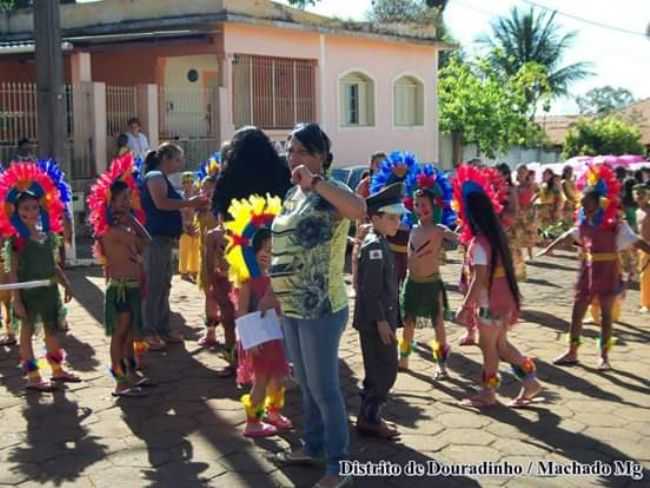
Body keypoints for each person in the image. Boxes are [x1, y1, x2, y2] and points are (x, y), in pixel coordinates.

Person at [267, 123, 365, 488]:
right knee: (306, 384)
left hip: (322, 306)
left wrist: (316, 181)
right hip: (292, 304)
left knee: (325, 388)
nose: (294, 157)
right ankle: (313, 445)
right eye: (291, 150)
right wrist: (272, 291)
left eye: (302, 151)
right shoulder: (293, 194)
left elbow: (358, 210)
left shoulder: (331, 188)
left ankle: (340, 467)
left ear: (321, 155)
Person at [540, 165, 650, 370]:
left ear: (599, 202)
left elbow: (637, 242)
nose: (582, 205)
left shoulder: (615, 224)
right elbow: (569, 234)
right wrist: (550, 248)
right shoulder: (584, 223)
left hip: (608, 271)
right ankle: (572, 352)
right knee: (577, 311)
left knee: (606, 316)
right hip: (588, 270)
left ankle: (604, 356)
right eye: (581, 202)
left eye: (586, 202)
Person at [453, 164, 542, 408]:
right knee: (500, 345)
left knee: (488, 347)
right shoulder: (497, 235)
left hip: (489, 303)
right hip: (503, 300)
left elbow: (479, 279)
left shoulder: (479, 244)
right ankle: (530, 380)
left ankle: (488, 393)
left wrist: (465, 306)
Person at [209, 128, 291, 375]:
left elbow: (220, 210)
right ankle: (276, 358)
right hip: (274, 240)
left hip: (241, 244)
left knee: (241, 300)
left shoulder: (231, 171)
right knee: (274, 296)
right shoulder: (279, 169)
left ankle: (242, 358)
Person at [0, 163, 78, 391]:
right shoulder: (15, 241)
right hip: (28, 294)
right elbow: (12, 272)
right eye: (25, 209)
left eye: (34, 208)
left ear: (41, 209)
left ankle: (57, 370)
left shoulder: (48, 236)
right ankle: (33, 376)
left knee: (51, 331)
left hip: (48, 292)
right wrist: (16, 299)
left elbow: (52, 264)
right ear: (15, 211)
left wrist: (66, 283)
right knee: (26, 333)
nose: (30, 213)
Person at [224, 194, 291, 438]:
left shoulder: (274, 277)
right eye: (263, 249)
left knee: (278, 377)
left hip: (274, 335)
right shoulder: (247, 281)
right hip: (258, 340)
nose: (267, 254)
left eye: (272, 250)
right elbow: (241, 313)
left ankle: (273, 412)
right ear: (252, 250)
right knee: (260, 380)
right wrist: (249, 343)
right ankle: (253, 421)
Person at [88, 156, 153, 396]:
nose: (129, 201)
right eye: (123, 198)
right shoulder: (111, 231)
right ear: (110, 202)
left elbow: (145, 241)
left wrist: (132, 219)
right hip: (121, 289)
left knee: (128, 335)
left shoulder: (125, 225)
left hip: (132, 287)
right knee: (120, 334)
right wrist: (133, 225)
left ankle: (129, 375)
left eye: (129, 197)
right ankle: (119, 381)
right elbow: (144, 241)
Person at [141, 143, 206, 350]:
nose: (181, 163)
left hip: (164, 239)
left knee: (163, 284)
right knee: (154, 285)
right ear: (166, 159)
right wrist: (190, 203)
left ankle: (162, 327)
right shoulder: (155, 177)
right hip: (155, 239)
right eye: (178, 158)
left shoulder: (161, 177)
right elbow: (161, 203)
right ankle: (149, 330)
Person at [354, 183, 406, 439]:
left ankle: (369, 416)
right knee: (383, 371)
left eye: (399, 217)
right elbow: (369, 290)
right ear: (375, 218)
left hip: (380, 319)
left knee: (384, 369)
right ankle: (370, 418)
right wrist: (381, 321)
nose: (397, 222)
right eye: (392, 217)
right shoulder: (374, 247)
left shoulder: (381, 242)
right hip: (375, 322)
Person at [399, 165, 457, 379]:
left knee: (438, 324)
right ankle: (403, 359)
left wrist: (463, 233)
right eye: (416, 204)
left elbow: (458, 238)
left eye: (424, 205)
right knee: (408, 323)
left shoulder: (439, 230)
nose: (420, 208)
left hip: (432, 284)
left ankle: (441, 365)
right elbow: (391, 225)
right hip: (412, 283)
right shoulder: (411, 229)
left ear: (434, 206)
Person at [178, 172, 199, 282]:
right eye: (186, 182)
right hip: (184, 224)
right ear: (183, 184)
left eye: (190, 182)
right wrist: (183, 225)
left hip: (195, 223)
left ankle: (194, 270)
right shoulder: (180, 196)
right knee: (184, 248)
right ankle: (184, 271)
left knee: (195, 248)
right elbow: (180, 211)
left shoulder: (197, 195)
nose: (188, 184)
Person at [634, 183, 650, 312]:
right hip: (641, 248)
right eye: (637, 193)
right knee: (643, 275)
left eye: (642, 193)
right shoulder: (637, 211)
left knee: (646, 275)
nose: (639, 196)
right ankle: (644, 302)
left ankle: (646, 304)